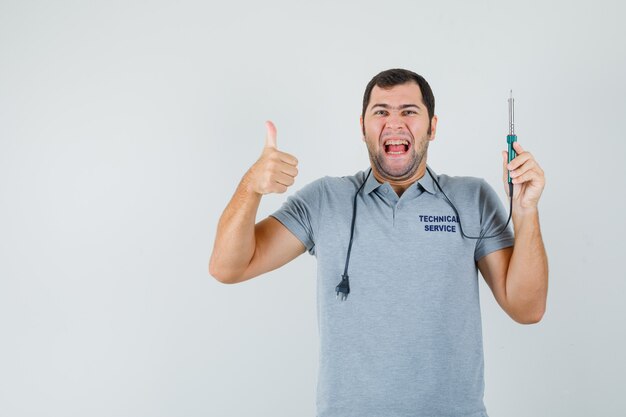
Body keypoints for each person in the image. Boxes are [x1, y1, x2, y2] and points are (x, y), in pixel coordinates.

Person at [209, 68, 548, 417]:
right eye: (381, 111)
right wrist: (250, 187)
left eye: (409, 112)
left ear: (432, 127)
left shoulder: (472, 198)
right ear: (363, 127)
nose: (394, 123)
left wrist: (525, 211)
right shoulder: (325, 200)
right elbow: (227, 267)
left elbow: (527, 309)